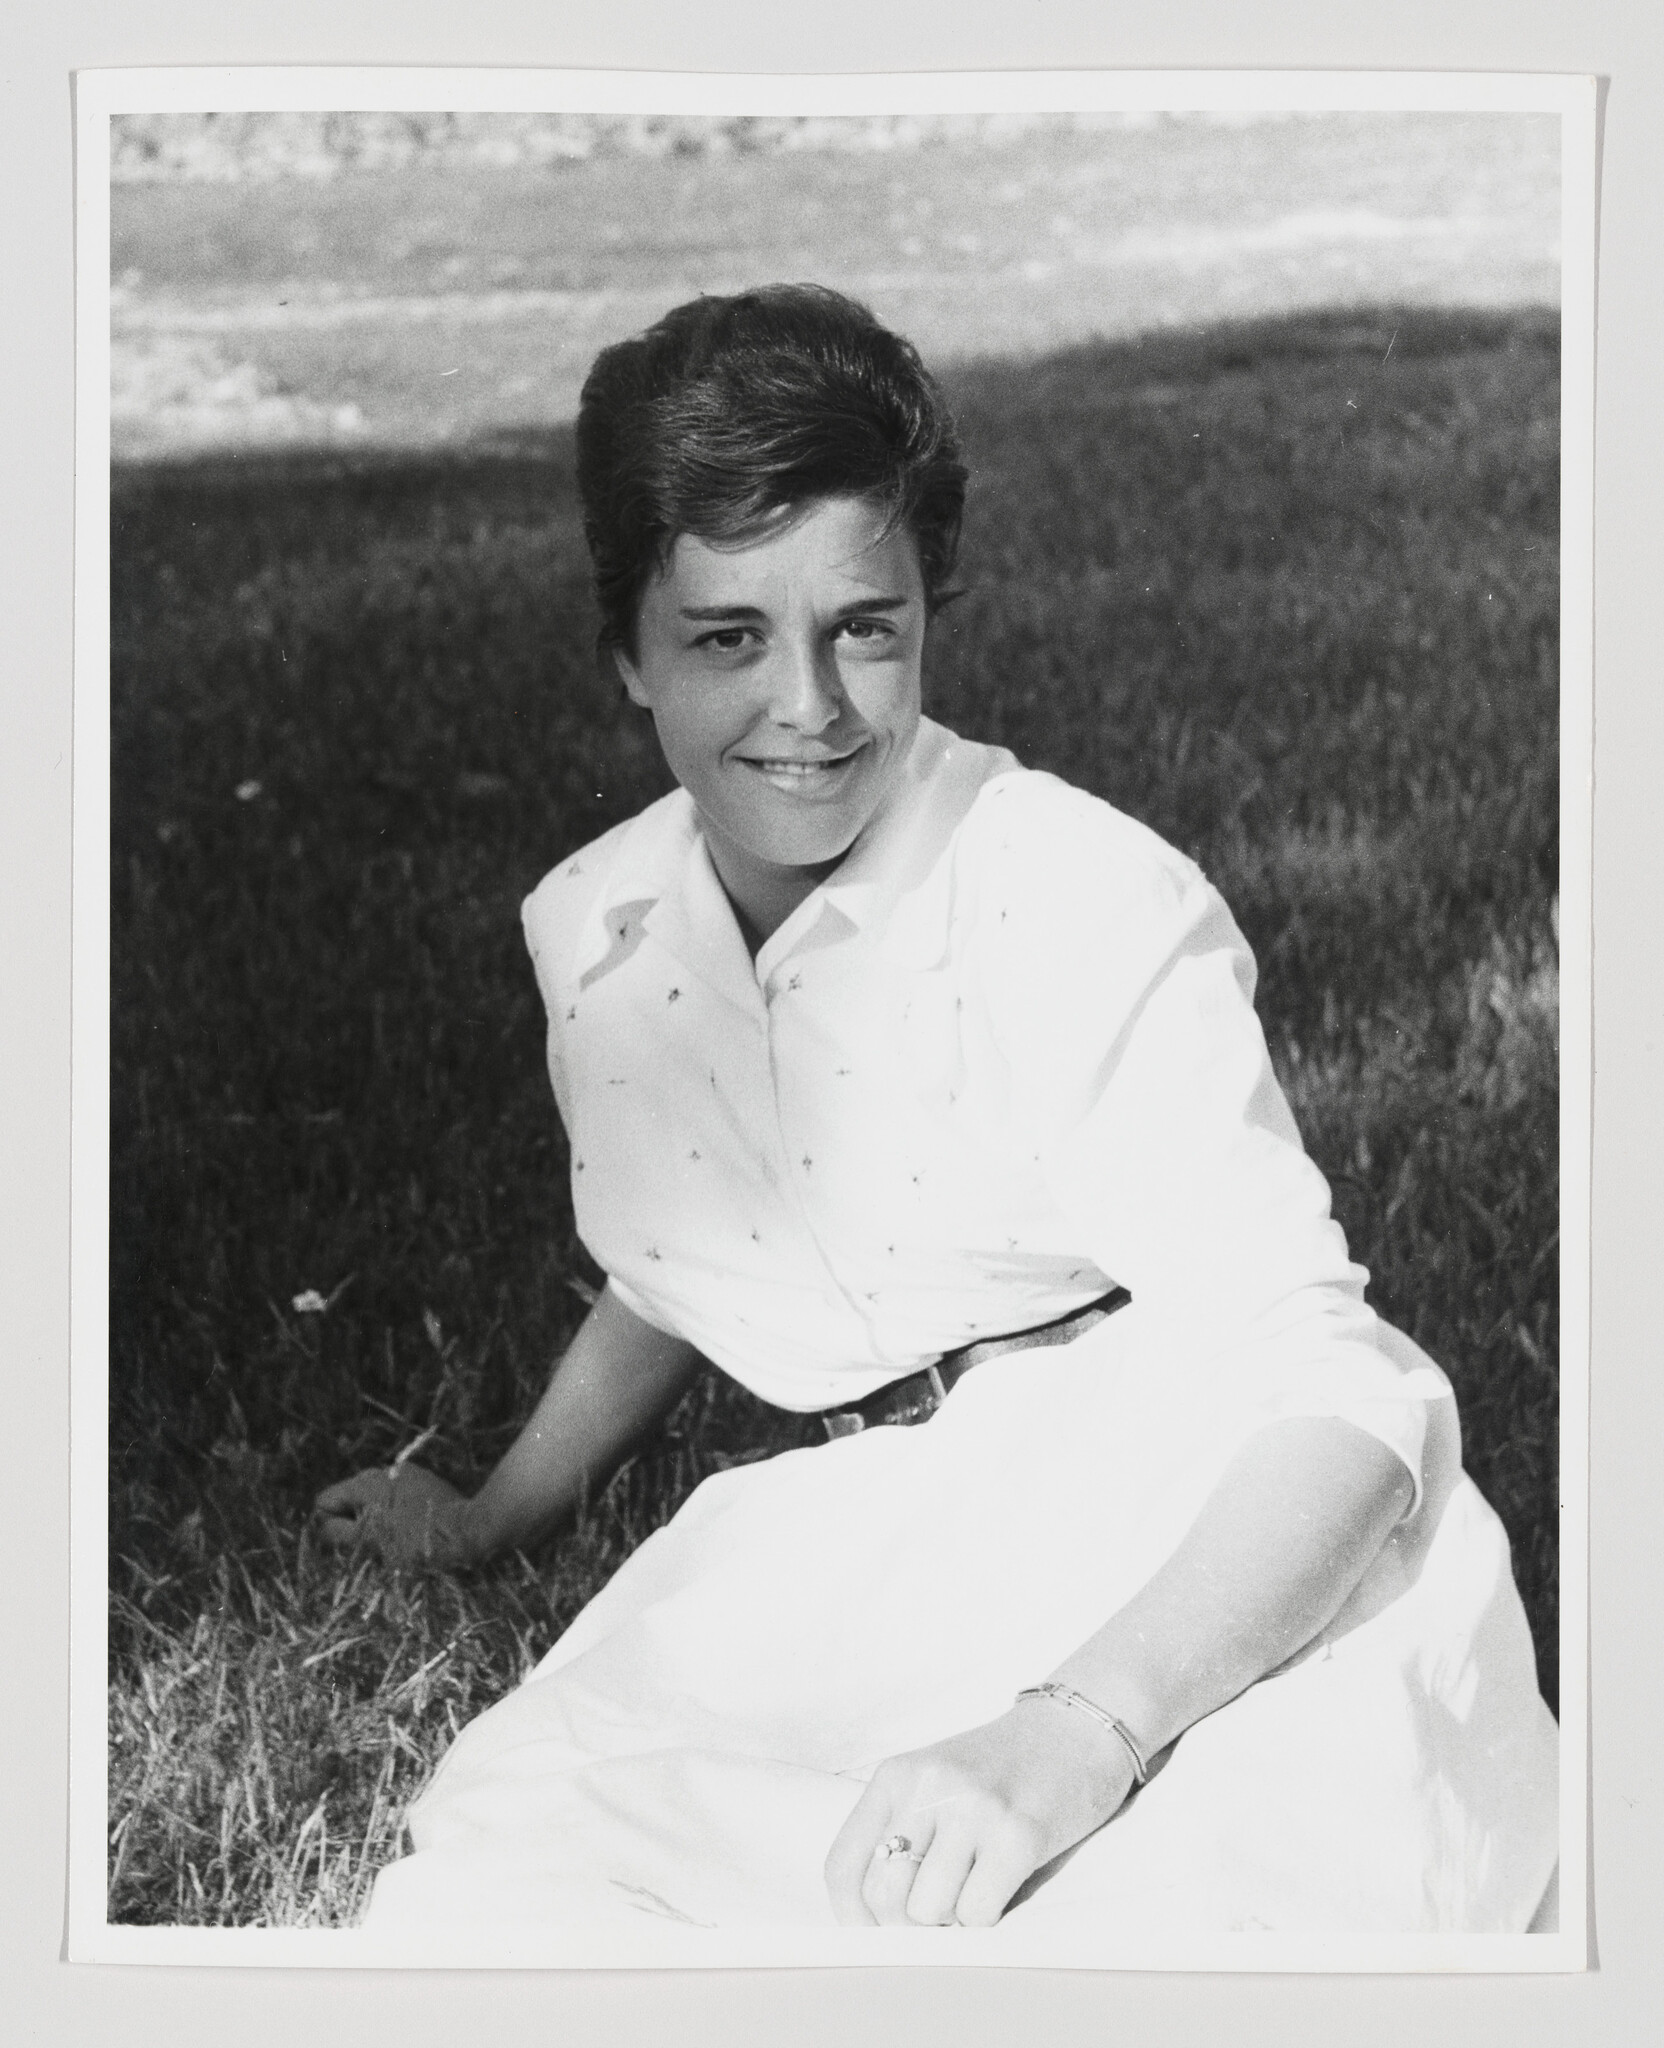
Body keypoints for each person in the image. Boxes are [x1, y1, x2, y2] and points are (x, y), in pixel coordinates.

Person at [314, 283, 1559, 1938]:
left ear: (929, 618)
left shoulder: (1079, 896)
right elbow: (680, 1256)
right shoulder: (597, 930)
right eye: (727, 635)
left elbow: (1336, 1391)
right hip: (856, 1541)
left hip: (1191, 1513)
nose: (811, 707)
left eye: (866, 626)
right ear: (628, 652)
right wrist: (490, 1517)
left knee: (1191, 1926)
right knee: (531, 1893)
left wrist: (1079, 1734)